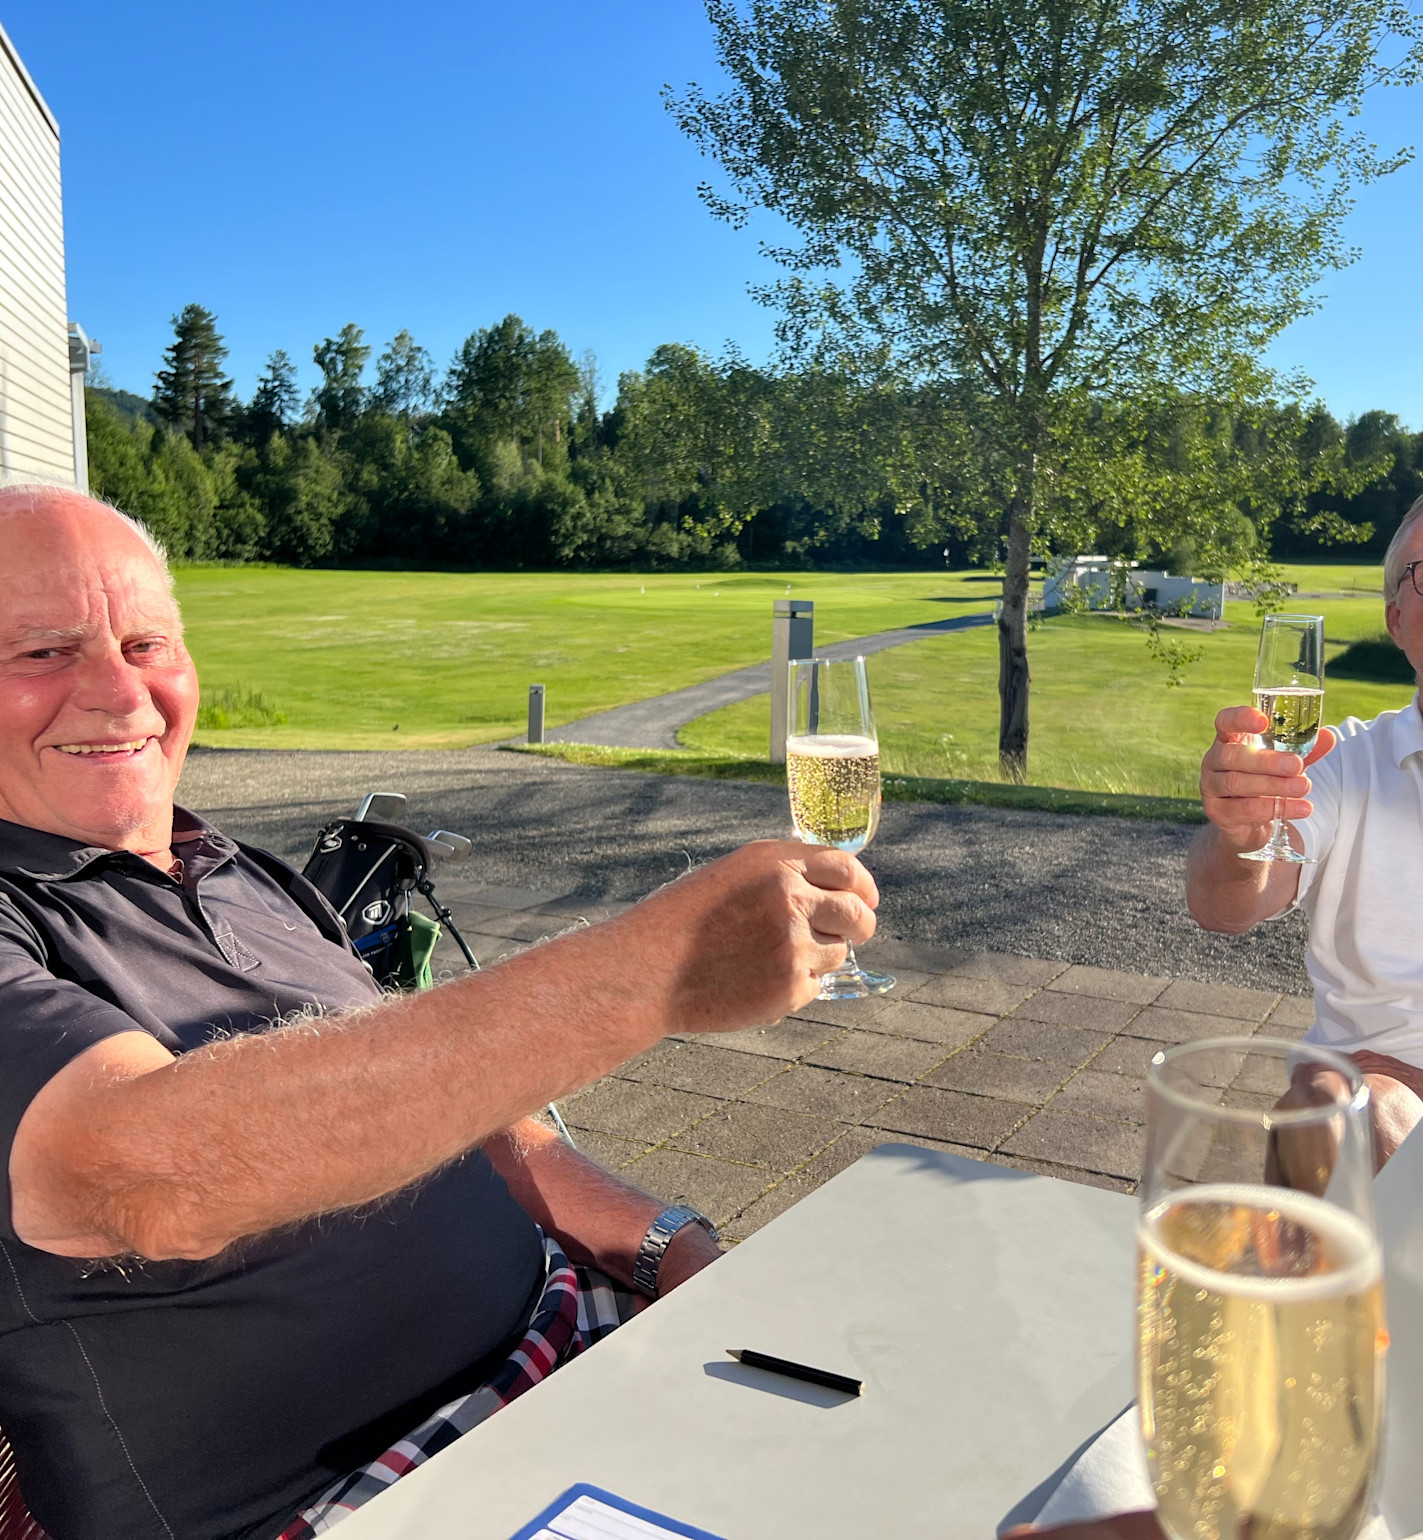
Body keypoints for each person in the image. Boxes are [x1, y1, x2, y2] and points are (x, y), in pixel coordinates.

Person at [0, 482, 879, 1540]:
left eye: (148, 642)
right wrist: (654, 971)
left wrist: (666, 1247)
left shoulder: (239, 869)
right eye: (40, 653)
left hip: (577, 1333)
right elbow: (142, 1174)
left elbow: (465, 1106)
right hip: (357, 1496)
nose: (120, 695)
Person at [1187, 474, 1423, 1166]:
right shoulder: (1340, 761)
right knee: (1348, 1110)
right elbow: (1225, 907)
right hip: (1370, 1105)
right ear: (1396, 619)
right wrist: (1240, 838)